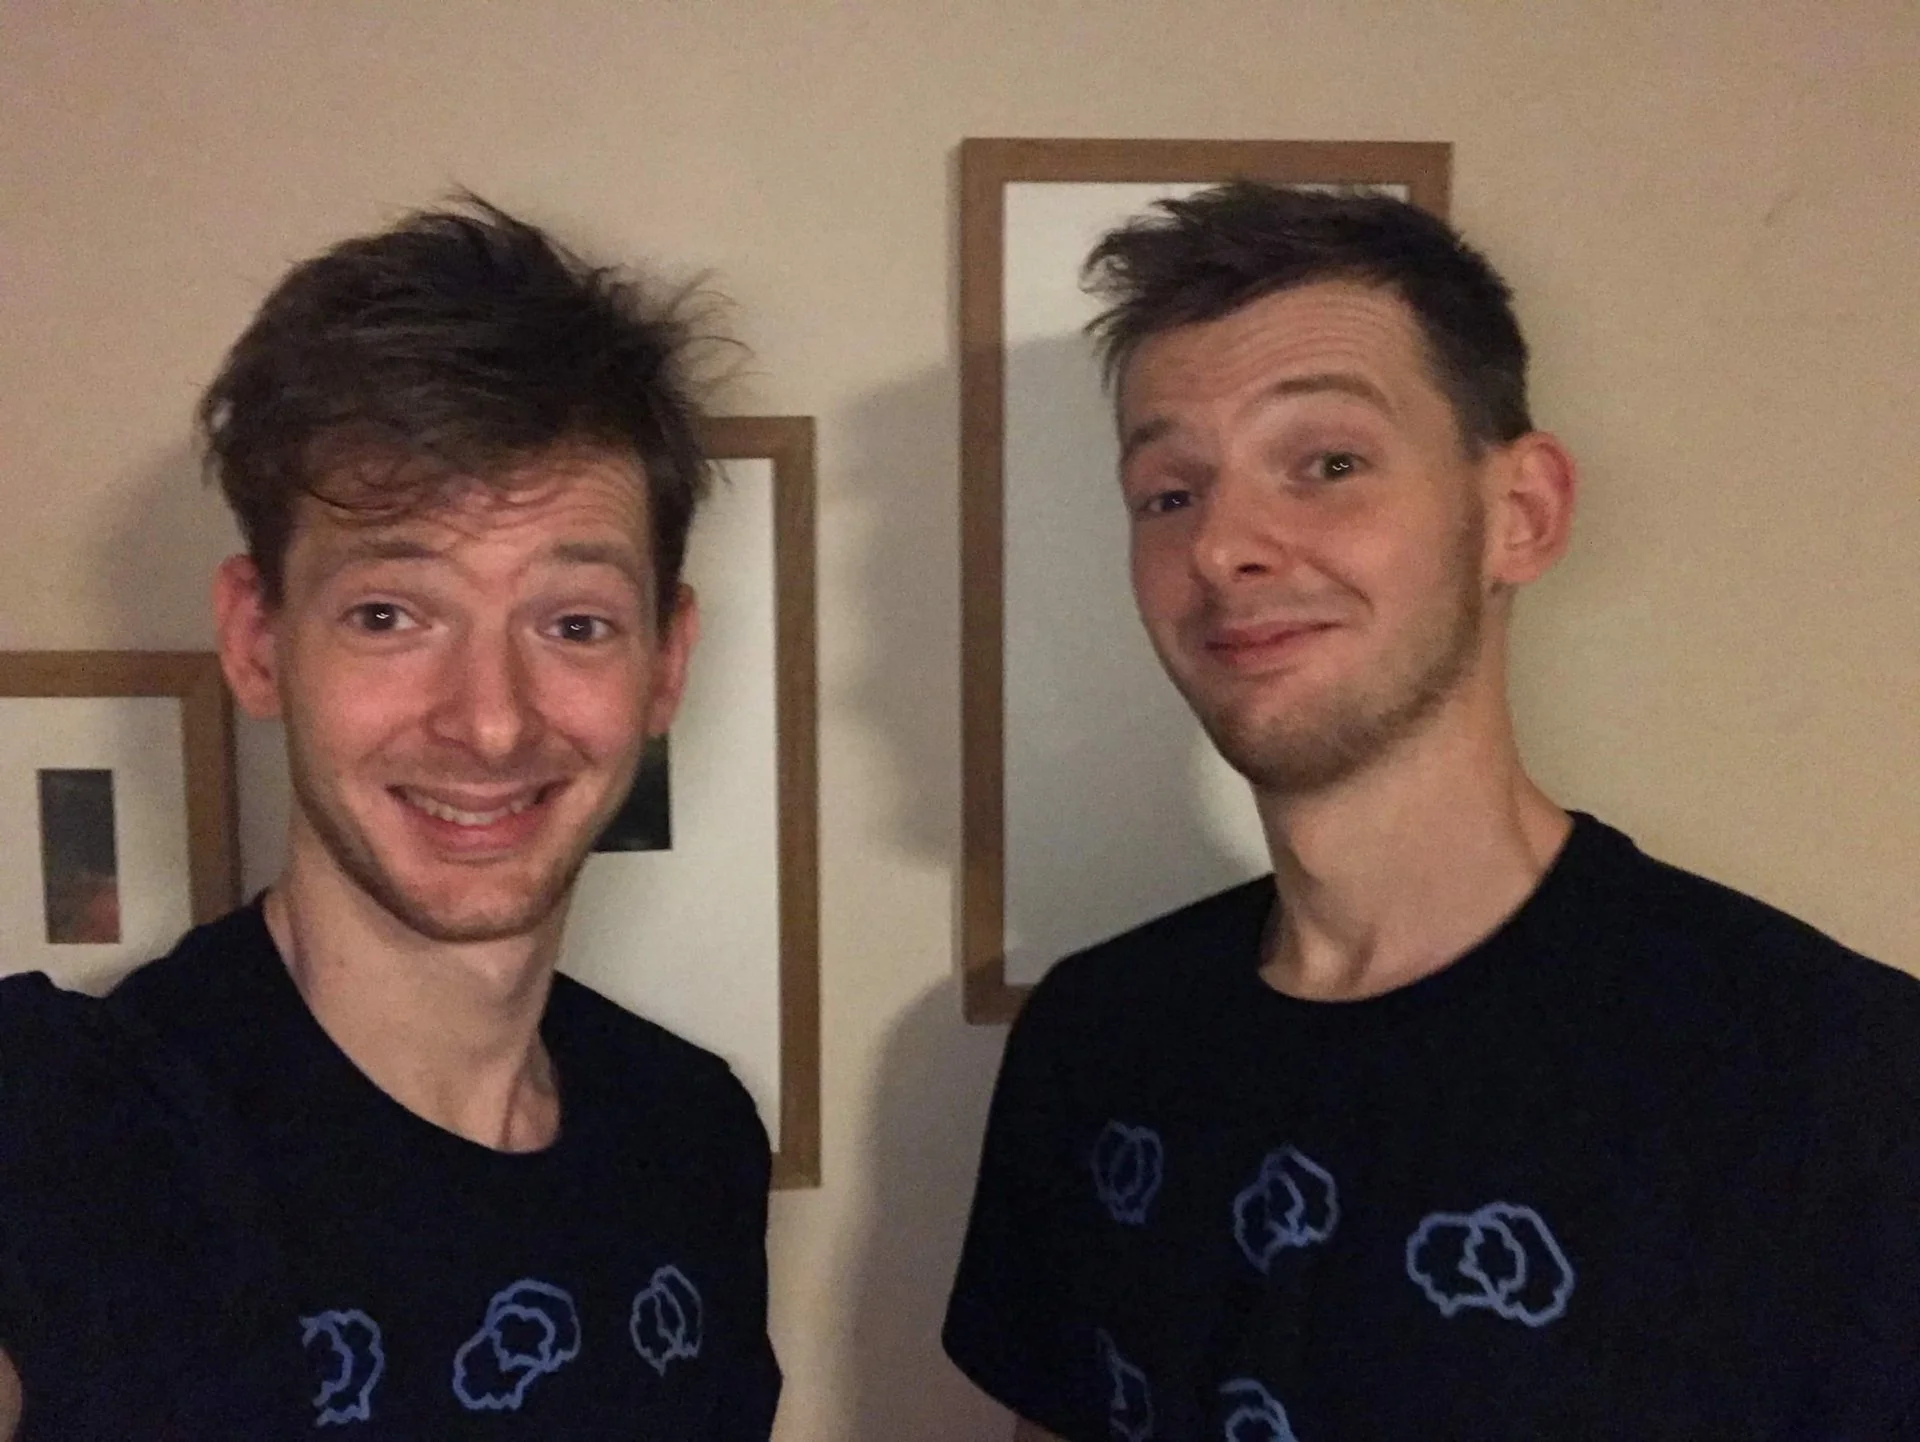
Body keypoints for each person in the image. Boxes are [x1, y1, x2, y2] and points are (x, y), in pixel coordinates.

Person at [943, 182, 1920, 1440]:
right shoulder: (1096, 1038)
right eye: (1169, 492)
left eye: (1329, 462)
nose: (1225, 544)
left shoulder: (1841, 1079)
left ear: (1520, 514)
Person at [0, 199, 780, 1438]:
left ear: (664, 664)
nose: (490, 721)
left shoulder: (694, 1136)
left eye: (573, 622)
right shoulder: (67, 1128)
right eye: (390, 614)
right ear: (258, 641)